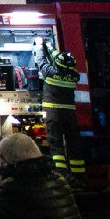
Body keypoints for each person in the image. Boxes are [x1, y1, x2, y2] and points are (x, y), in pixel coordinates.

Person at [38, 38, 86, 188]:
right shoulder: (74, 75)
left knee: (56, 146)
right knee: (73, 145)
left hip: (53, 114)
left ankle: (61, 176)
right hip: (70, 115)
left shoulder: (50, 73)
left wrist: (40, 45)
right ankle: (79, 178)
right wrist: (50, 46)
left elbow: (40, 60)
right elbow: (60, 60)